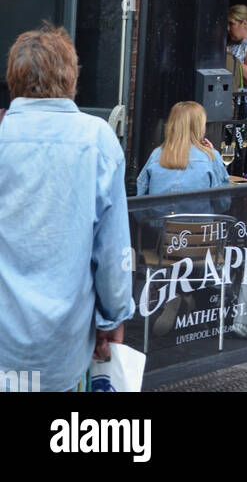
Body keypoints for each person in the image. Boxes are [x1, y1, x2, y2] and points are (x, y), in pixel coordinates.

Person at [0, 25, 133, 392]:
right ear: (70, 75)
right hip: (66, 348)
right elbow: (112, 252)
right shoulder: (97, 139)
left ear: (13, 78)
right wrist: (113, 318)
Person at [137, 101, 231, 195]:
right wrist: (212, 155)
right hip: (198, 210)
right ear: (199, 127)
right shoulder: (211, 157)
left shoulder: (156, 154)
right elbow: (222, 202)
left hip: (158, 209)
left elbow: (141, 195)